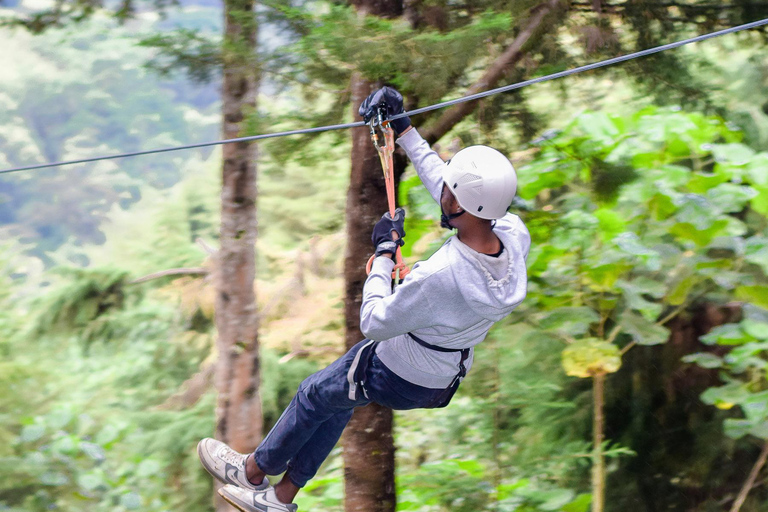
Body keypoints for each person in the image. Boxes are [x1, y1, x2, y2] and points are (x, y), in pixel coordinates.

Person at [196, 86, 530, 512]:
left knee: (314, 393)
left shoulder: (444, 276)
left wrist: (383, 257)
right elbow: (450, 189)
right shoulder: (512, 236)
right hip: (442, 375)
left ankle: (253, 470)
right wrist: (405, 130)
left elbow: (373, 320)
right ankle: (279, 498)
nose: (442, 187)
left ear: (461, 204)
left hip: (400, 370)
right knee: (337, 401)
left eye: (449, 189)